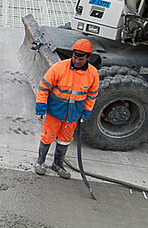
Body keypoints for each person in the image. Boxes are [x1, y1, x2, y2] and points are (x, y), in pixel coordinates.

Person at [34, 39, 99, 178]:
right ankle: (40, 162)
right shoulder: (59, 68)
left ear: (88, 57)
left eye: (80, 58)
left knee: (65, 139)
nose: (76, 60)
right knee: (48, 137)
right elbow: (44, 87)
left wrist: (86, 112)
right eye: (75, 57)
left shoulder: (93, 74)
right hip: (55, 112)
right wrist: (41, 106)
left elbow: (92, 95)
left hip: (73, 115)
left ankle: (58, 164)